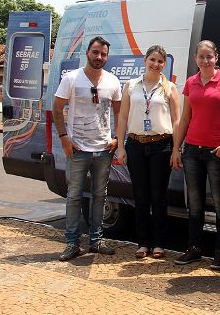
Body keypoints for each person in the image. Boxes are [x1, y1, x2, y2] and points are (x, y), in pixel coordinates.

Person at [53, 36, 122, 261]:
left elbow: (120, 113)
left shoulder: (113, 81)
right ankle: (72, 243)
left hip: (104, 149)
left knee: (100, 196)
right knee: (74, 196)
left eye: (103, 54)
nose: (99, 57)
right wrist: (64, 137)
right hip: (78, 148)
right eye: (95, 52)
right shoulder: (71, 78)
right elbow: (56, 108)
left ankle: (96, 240)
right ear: (87, 53)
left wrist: (117, 139)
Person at [173, 40, 220, 270]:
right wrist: (176, 149)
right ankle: (194, 248)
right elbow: (185, 119)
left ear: (216, 57)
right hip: (192, 149)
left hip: (216, 152)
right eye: (201, 57)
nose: (205, 60)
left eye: (209, 56)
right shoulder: (191, 82)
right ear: (195, 59)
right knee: (196, 204)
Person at [116, 45, 181, 260]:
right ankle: (143, 243)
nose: (156, 64)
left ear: (165, 64)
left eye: (160, 61)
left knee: (158, 197)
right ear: (145, 60)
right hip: (135, 144)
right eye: (152, 59)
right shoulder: (131, 85)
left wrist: (176, 149)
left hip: (161, 145)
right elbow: (123, 117)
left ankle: (159, 243)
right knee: (140, 196)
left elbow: (176, 120)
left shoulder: (170, 87)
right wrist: (121, 147)